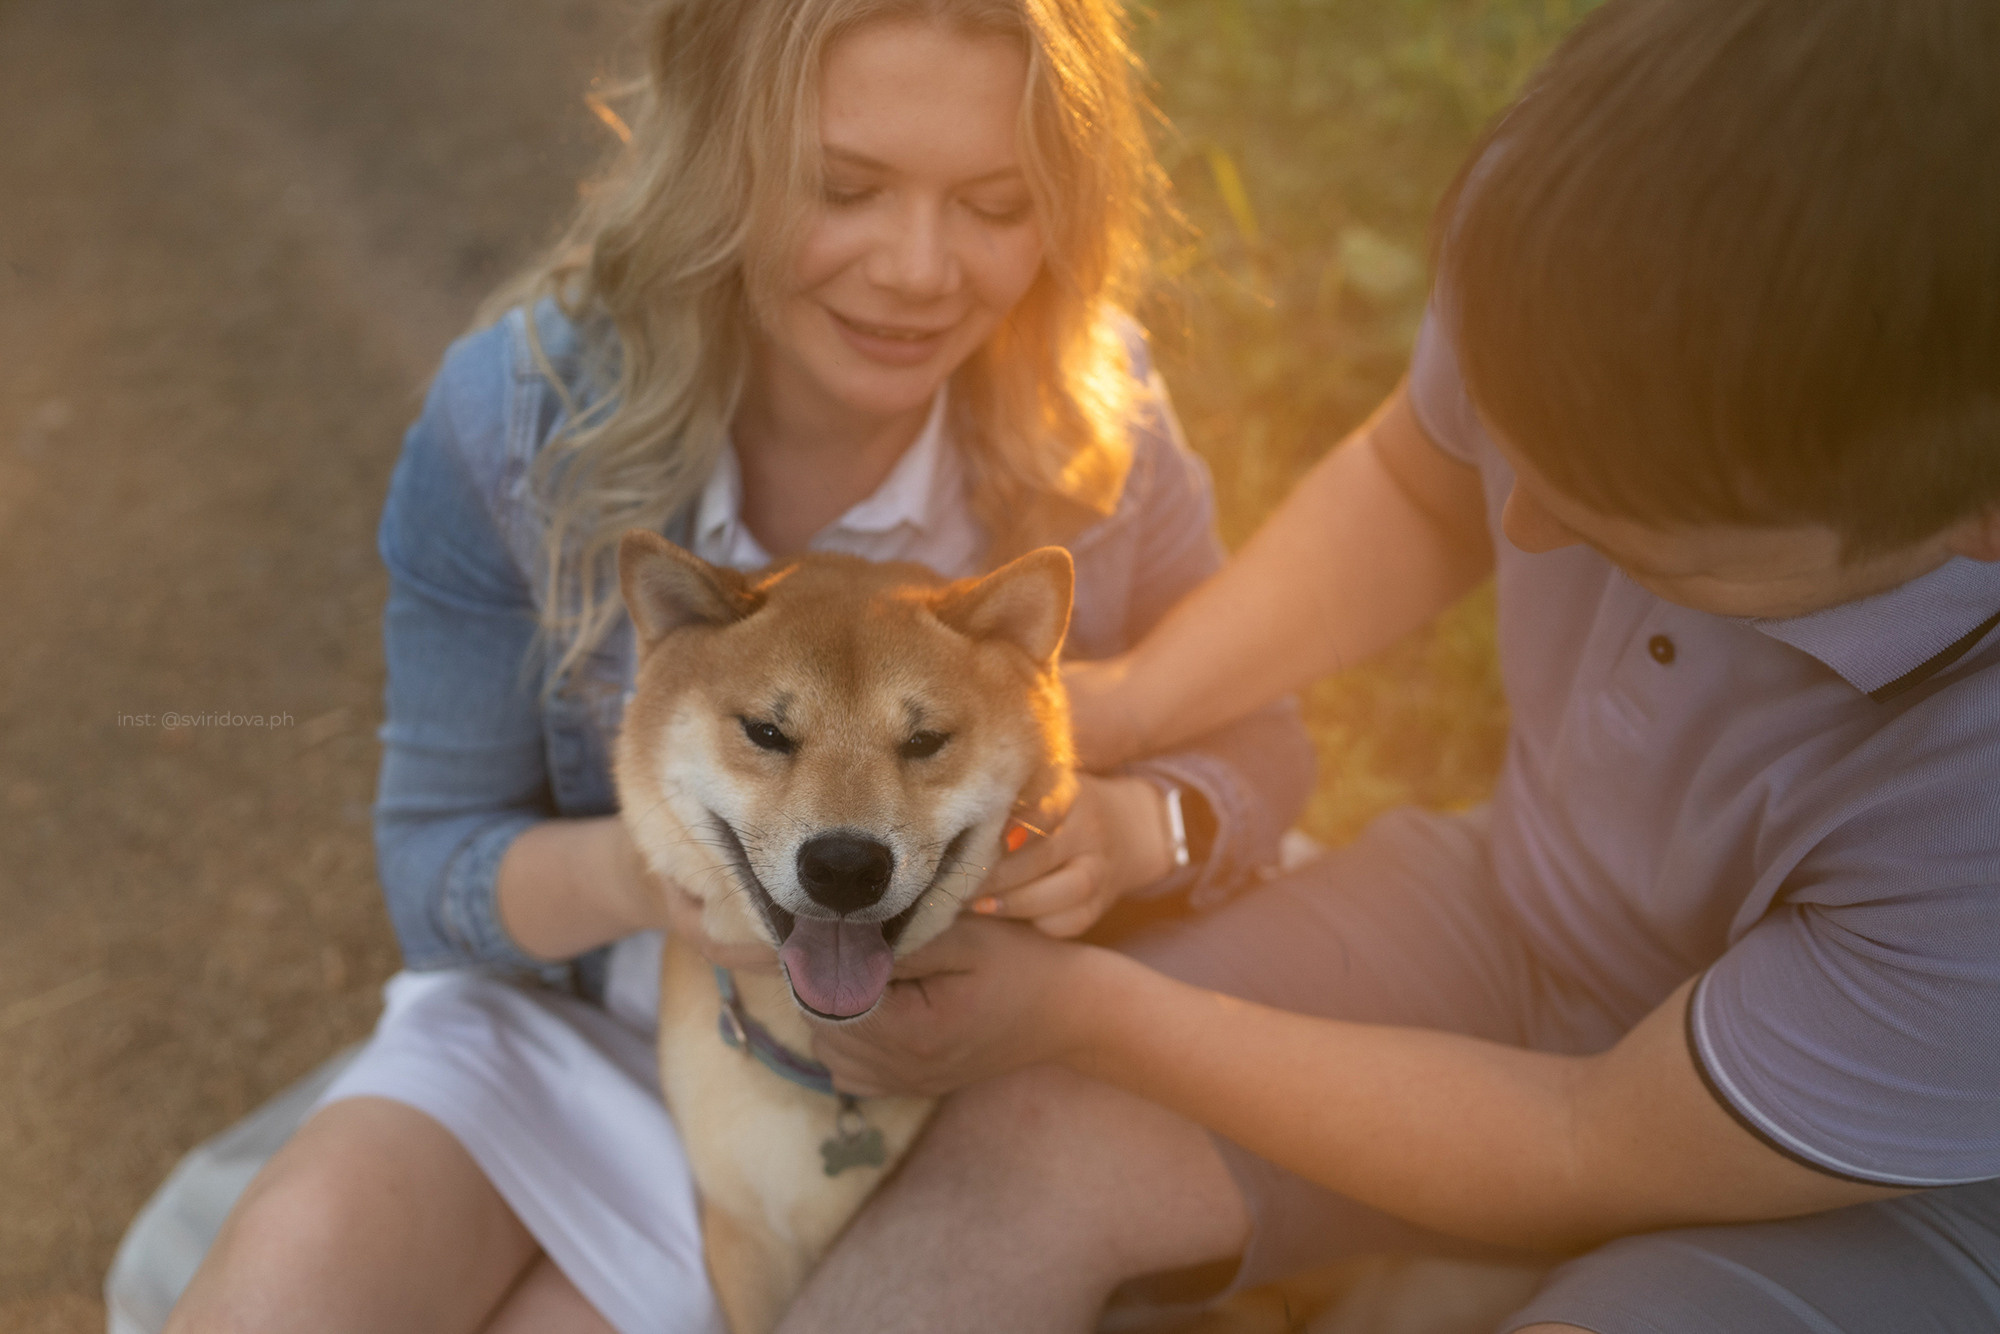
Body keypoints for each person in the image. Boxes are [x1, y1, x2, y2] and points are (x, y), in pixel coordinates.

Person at [788, 0, 2000, 1330]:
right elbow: (1421, 487)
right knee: (1020, 1133)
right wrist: (1129, 703)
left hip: (1881, 1210)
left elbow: (1580, 1143)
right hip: (1519, 918)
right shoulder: (1594, 221)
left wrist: (1097, 1007)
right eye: (1513, 439)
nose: (1519, 526)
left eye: (1640, 537)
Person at [148, 1, 1312, 1331]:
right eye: (846, 187)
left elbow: (1268, 744)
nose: (920, 268)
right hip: (586, 1018)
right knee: (288, 1288)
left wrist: (1137, 825)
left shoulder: (1097, 426)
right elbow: (434, 868)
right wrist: (670, 881)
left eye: (995, 202)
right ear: (719, 160)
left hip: (963, 1065)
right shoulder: (516, 423)